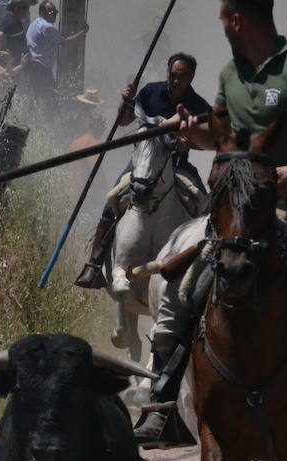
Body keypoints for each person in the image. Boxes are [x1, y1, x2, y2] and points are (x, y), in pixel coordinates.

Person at [137, 0, 287, 447]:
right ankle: (161, 403)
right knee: (178, 280)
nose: (224, 32)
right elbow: (219, 135)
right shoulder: (233, 76)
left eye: (225, 23)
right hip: (236, 209)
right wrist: (191, 129)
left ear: (239, 21)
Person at [73, 52, 213, 290]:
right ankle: (94, 265)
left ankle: (206, 266)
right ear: (167, 72)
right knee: (112, 200)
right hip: (143, 162)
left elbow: (211, 138)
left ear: (191, 77)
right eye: (172, 74)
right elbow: (124, 121)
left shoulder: (198, 106)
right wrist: (125, 101)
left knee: (206, 207)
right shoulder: (149, 92)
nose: (175, 80)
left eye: (181, 76)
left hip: (178, 165)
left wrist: (188, 143)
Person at [25, 1, 87, 114]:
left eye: (56, 12)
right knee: (51, 100)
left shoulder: (34, 23)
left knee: (34, 98)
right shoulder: (47, 27)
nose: (56, 14)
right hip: (42, 69)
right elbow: (65, 43)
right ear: (43, 12)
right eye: (52, 12)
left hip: (32, 67)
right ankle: (50, 125)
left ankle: (32, 120)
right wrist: (83, 33)